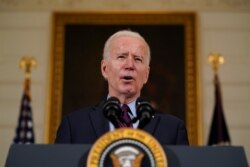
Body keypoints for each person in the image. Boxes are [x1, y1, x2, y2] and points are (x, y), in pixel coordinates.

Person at [55, 30, 189, 145]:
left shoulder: (173, 129)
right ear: (104, 69)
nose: (130, 65)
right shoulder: (74, 125)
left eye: (137, 59)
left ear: (146, 75)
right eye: (121, 57)